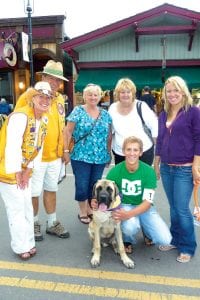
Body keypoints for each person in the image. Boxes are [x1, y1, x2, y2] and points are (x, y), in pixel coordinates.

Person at [15, 60, 70, 241]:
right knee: (34, 192)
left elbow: (62, 127)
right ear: (43, 77)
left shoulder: (60, 98)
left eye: (58, 80)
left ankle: (52, 222)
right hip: (35, 156)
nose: (55, 83)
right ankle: (34, 222)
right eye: (51, 78)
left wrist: (64, 149)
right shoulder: (29, 95)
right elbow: (17, 120)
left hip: (54, 155)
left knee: (51, 189)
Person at [91, 136, 172, 255]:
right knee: (130, 227)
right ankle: (128, 241)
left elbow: (148, 202)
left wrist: (128, 215)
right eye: (128, 150)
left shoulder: (149, 172)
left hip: (143, 206)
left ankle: (146, 229)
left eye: (135, 150)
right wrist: (96, 201)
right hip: (125, 205)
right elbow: (106, 192)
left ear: (141, 152)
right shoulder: (115, 172)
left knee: (165, 239)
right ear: (123, 151)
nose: (132, 153)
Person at [0, 81, 52, 260]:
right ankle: (20, 246)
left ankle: (29, 242)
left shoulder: (44, 119)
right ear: (33, 97)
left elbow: (38, 147)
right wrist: (18, 172)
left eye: (48, 97)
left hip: (24, 170)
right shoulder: (20, 116)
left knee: (26, 206)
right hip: (8, 169)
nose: (44, 100)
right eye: (41, 96)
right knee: (16, 208)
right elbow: (12, 146)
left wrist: (28, 170)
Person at [154, 76, 200, 263]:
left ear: (183, 91)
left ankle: (188, 246)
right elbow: (161, 140)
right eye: (169, 91)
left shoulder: (193, 112)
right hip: (166, 167)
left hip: (184, 169)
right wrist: (156, 163)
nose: (172, 94)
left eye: (176, 90)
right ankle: (175, 239)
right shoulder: (164, 113)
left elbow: (199, 139)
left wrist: (196, 165)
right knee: (173, 208)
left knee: (182, 209)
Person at [63, 83, 112, 224]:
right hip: (80, 156)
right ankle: (83, 211)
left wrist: (108, 152)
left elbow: (109, 135)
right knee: (82, 184)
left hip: (100, 156)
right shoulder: (78, 111)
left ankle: (91, 209)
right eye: (89, 94)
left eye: (96, 94)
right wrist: (66, 150)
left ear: (99, 97)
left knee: (95, 185)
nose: (93, 97)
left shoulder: (105, 114)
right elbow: (67, 131)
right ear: (84, 96)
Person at [109, 78, 158, 166]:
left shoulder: (141, 106)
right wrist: (107, 150)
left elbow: (155, 126)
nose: (126, 95)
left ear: (133, 93)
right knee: (122, 179)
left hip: (143, 152)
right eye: (122, 92)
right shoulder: (112, 108)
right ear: (118, 94)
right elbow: (110, 131)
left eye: (128, 92)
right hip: (121, 152)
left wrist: (158, 151)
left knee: (142, 179)